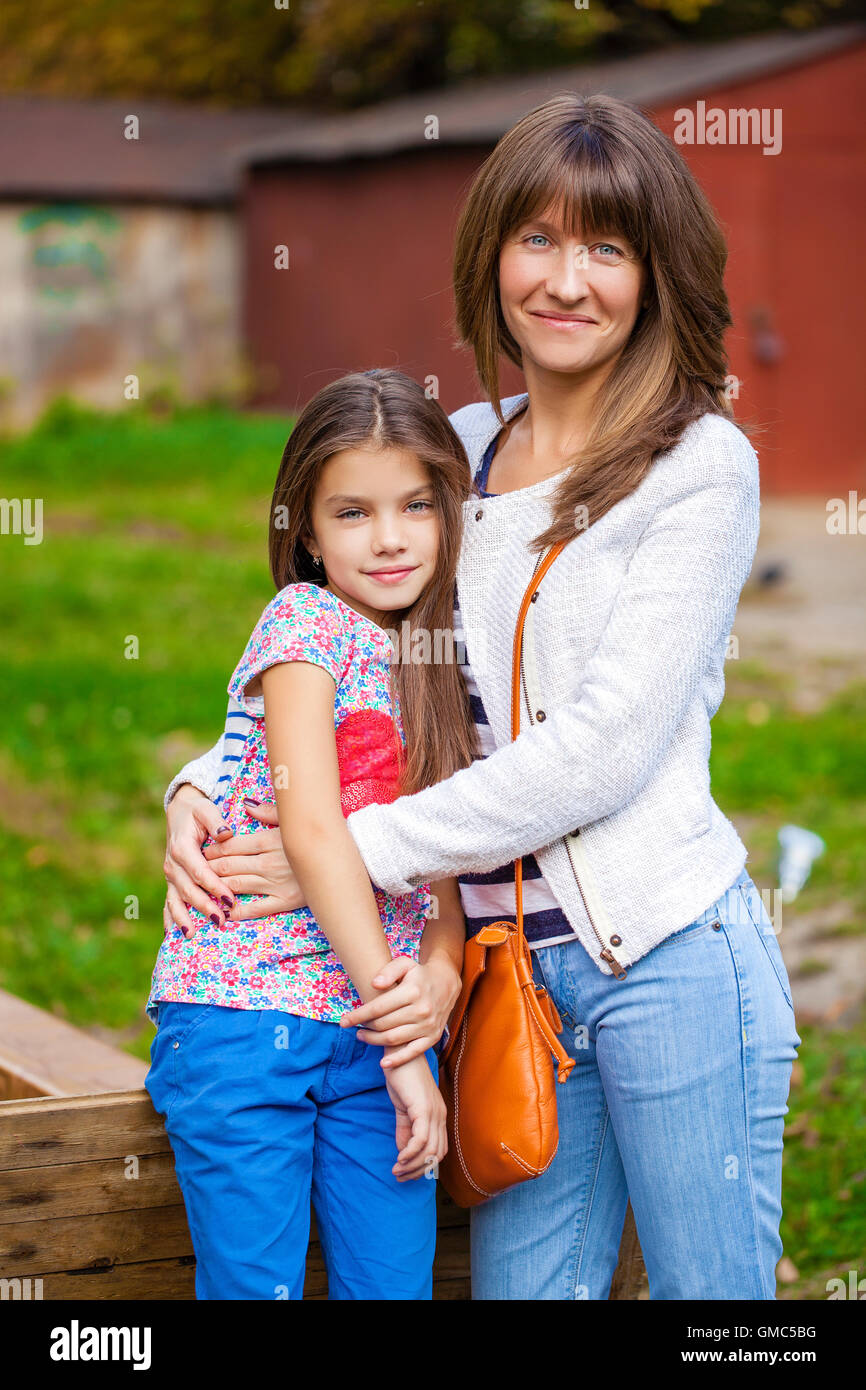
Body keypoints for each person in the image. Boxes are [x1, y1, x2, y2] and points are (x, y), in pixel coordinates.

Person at [161, 93, 802, 1300]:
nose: (567, 280)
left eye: (606, 248)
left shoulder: (699, 466)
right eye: (538, 240)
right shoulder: (452, 453)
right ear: (491, 255)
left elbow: (601, 748)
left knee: (715, 1305)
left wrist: (339, 856)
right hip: (503, 980)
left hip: (664, 954)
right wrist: (201, 782)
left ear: (653, 273)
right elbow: (343, 656)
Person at [145, 368, 475, 1300]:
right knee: (257, 1288)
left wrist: (431, 990)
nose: (390, 539)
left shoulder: (438, 659)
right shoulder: (306, 625)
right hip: (248, 1017)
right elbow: (314, 829)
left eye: (416, 505)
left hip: (372, 1027)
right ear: (306, 530)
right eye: (352, 513)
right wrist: (409, 1055)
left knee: (394, 1283)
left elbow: (439, 868)